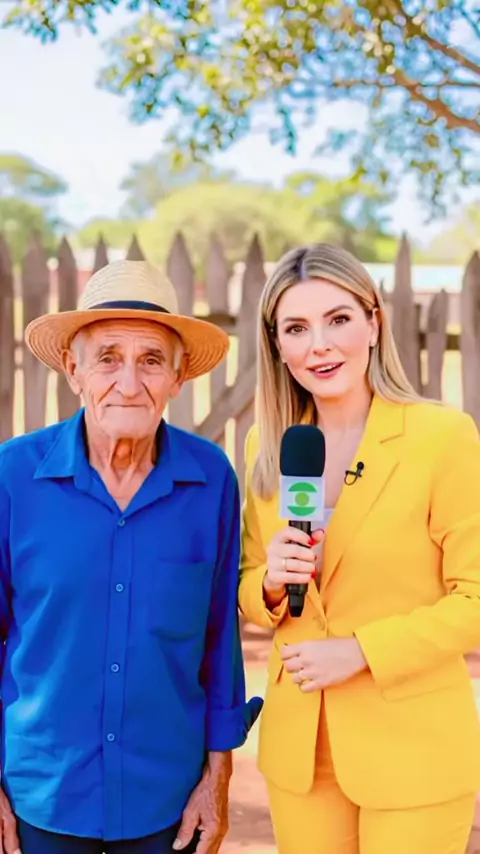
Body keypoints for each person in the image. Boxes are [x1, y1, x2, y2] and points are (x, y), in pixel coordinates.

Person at [0, 259, 262, 854]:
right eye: (108, 358)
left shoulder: (211, 479)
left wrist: (217, 777)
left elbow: (219, 637)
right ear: (74, 371)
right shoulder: (14, 475)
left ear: (177, 377)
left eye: (151, 361)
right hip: (42, 792)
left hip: (166, 798)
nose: (129, 382)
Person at [238, 242, 480, 854]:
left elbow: (475, 599)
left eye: (338, 319)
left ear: (373, 323)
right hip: (300, 752)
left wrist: (362, 651)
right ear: (277, 345)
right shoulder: (268, 445)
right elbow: (249, 581)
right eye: (297, 328)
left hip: (413, 749)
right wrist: (270, 583)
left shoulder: (442, 437)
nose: (319, 345)